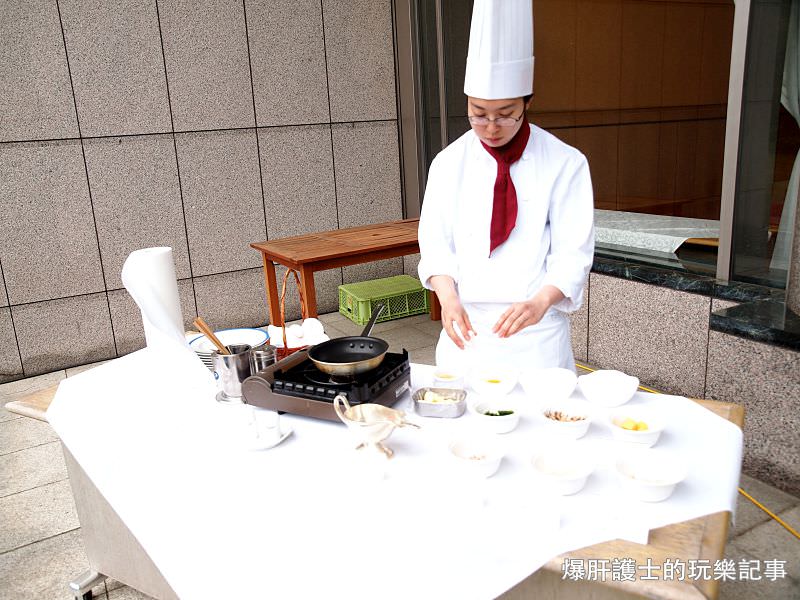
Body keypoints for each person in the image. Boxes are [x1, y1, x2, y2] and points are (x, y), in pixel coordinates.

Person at [417, 0, 594, 374]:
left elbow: (572, 254)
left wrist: (542, 302)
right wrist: (447, 299)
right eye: (478, 113)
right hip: (465, 331)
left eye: (506, 114)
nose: (491, 126)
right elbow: (435, 243)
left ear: (527, 103)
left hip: (536, 336)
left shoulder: (565, 163)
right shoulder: (449, 163)